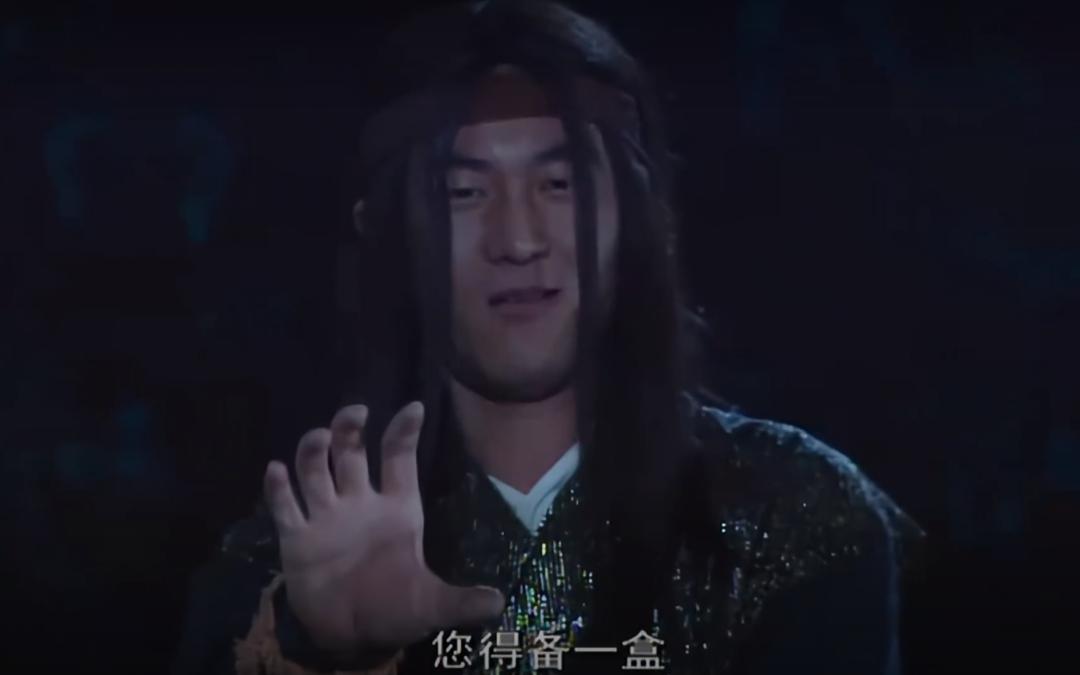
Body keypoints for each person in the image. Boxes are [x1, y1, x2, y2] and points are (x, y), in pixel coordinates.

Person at [171, 1, 923, 673]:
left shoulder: (793, 516)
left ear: (640, 218)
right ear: (385, 236)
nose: (519, 240)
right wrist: (332, 659)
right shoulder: (290, 565)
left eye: (561, 185)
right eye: (463, 193)